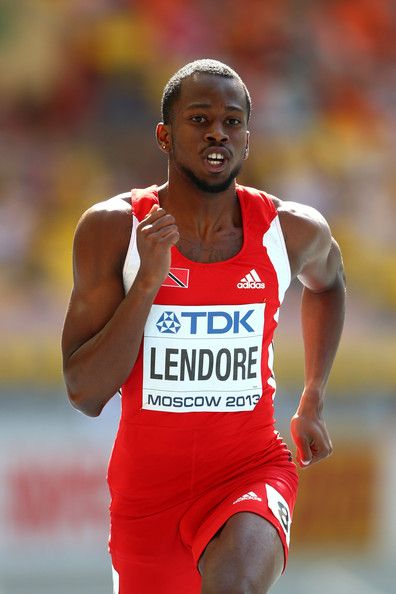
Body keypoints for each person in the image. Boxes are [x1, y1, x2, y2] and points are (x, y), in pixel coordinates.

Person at [62, 59, 345, 594]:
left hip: (251, 469)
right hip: (147, 498)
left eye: (232, 122)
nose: (218, 131)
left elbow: (329, 283)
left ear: (247, 140)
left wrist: (313, 396)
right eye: (199, 118)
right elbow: (84, 392)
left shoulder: (291, 231)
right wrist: (147, 283)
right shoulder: (114, 230)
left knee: (235, 584)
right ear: (165, 137)